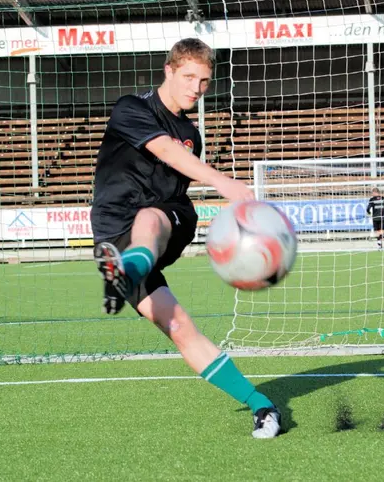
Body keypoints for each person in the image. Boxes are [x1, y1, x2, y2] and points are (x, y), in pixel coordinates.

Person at [89, 38, 281, 438]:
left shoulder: (189, 131)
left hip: (170, 216)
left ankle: (128, 269)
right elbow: (166, 151)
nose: (196, 88)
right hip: (112, 230)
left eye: (205, 81)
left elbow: (179, 162)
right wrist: (224, 182)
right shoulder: (132, 108)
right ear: (169, 70)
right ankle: (261, 404)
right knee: (179, 327)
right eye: (189, 77)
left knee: (151, 218)